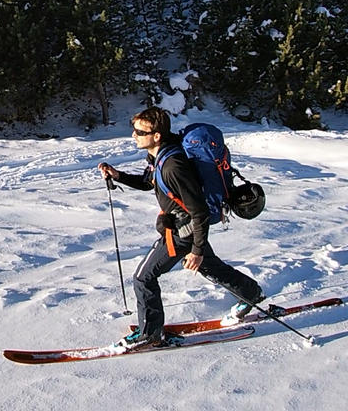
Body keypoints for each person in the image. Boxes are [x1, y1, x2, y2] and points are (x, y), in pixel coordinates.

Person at [98, 106, 264, 348]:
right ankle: (250, 293)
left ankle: (150, 334)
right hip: (186, 229)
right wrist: (118, 175)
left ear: (156, 136)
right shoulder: (160, 156)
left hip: (182, 232)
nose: (133, 135)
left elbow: (199, 211)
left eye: (139, 131)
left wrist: (195, 250)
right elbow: (149, 182)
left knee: (144, 278)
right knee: (211, 267)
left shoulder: (173, 165)